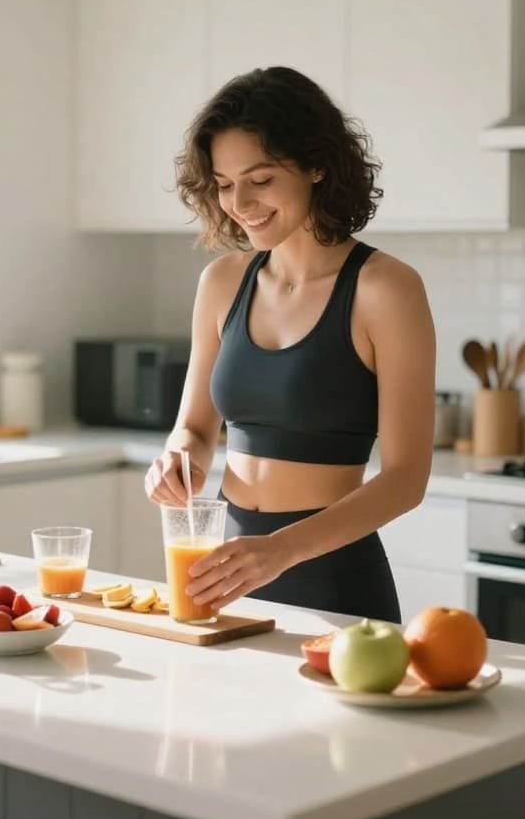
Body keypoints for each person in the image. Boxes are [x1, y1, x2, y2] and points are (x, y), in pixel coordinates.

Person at [144, 67, 435, 621]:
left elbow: (405, 479)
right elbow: (197, 426)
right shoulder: (223, 283)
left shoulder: (385, 289)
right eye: (225, 184)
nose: (240, 202)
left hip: (334, 581)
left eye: (261, 179)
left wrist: (279, 551)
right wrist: (178, 460)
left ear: (316, 165)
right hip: (224, 573)